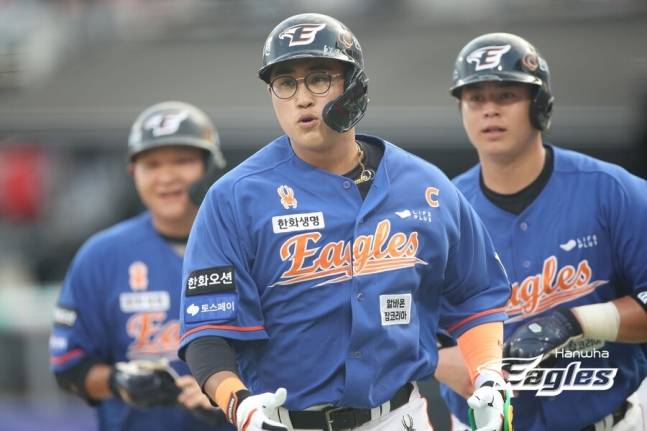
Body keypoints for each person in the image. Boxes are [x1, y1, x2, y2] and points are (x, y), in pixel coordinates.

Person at [178, 13, 513, 431]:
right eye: (286, 83)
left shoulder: (425, 185)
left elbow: (477, 293)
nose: (302, 98)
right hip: (284, 423)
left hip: (398, 417)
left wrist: (488, 374)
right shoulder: (234, 197)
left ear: (354, 86)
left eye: (319, 79)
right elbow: (207, 335)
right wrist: (240, 406)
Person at [436, 32, 647, 431]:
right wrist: (435, 360)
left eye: (506, 95)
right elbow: (389, 316)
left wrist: (577, 321)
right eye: (475, 97)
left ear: (540, 104)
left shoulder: (613, 191)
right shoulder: (439, 211)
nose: (489, 110)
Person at [49, 101, 234, 431]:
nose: (167, 177)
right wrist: (119, 381)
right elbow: (69, 366)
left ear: (211, 166)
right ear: (133, 171)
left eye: (183, 161)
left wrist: (229, 395)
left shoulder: (250, 245)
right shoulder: (101, 255)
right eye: (151, 164)